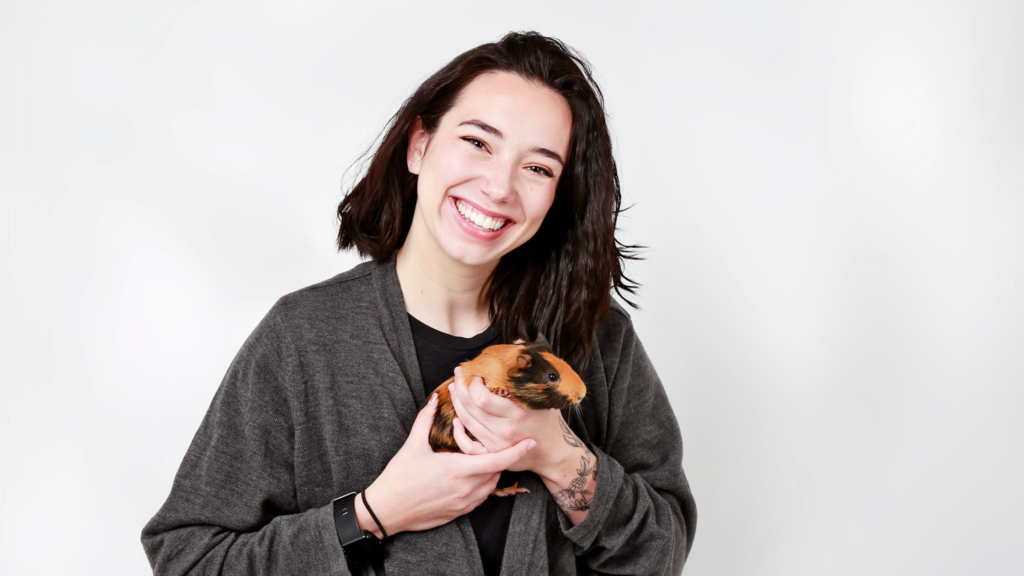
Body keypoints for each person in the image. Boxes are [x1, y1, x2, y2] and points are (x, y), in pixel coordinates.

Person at [142, 31, 696, 575]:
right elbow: (186, 559)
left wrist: (557, 452)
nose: (499, 187)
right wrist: (374, 513)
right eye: (478, 142)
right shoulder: (303, 339)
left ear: (557, 197)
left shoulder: (600, 340)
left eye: (538, 167)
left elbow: (661, 553)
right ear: (419, 145)